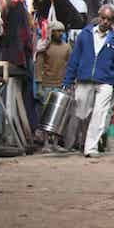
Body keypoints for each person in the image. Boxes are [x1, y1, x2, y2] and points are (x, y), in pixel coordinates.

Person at [62, 4, 114, 158]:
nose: (105, 22)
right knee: (81, 113)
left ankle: (90, 148)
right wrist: (67, 80)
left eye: (109, 19)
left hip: (105, 83)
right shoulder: (85, 35)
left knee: (100, 114)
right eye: (103, 18)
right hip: (84, 80)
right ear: (99, 17)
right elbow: (74, 60)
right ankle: (82, 142)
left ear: (112, 21)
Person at [35, 20, 71, 151]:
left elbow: (70, 65)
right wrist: (39, 85)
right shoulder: (44, 47)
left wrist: (70, 82)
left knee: (60, 115)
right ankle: (45, 143)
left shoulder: (67, 47)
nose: (60, 33)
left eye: (62, 31)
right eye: (58, 31)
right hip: (47, 84)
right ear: (52, 32)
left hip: (61, 85)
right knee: (46, 114)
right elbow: (38, 66)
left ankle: (55, 143)